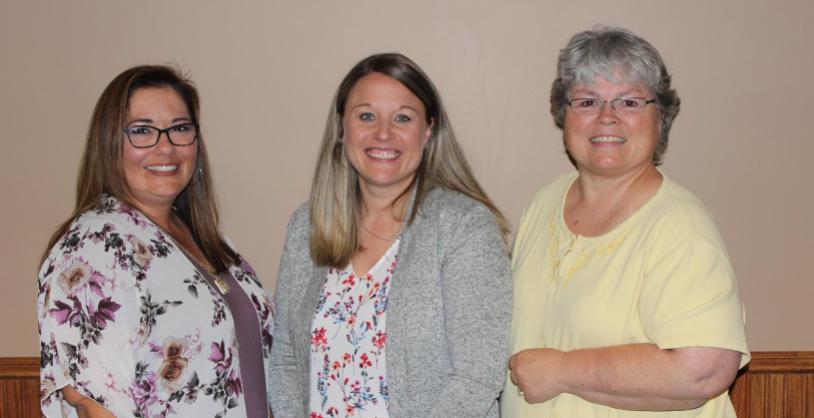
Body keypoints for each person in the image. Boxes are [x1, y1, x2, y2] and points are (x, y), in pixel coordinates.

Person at [502, 26, 750, 417]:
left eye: (630, 102)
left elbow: (703, 371)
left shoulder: (679, 226)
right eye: (586, 102)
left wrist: (561, 371)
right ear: (562, 115)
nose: (606, 118)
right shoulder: (545, 203)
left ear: (661, 117)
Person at [268, 52, 512, 418]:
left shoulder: (463, 227)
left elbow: (477, 376)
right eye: (366, 116)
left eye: (403, 118)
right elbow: (285, 357)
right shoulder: (307, 226)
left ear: (428, 131)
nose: (384, 133)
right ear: (341, 128)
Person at [37, 65, 274, 418]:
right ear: (109, 143)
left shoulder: (209, 239)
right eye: (142, 131)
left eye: (180, 128)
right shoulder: (95, 246)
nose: (165, 147)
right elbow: (96, 405)